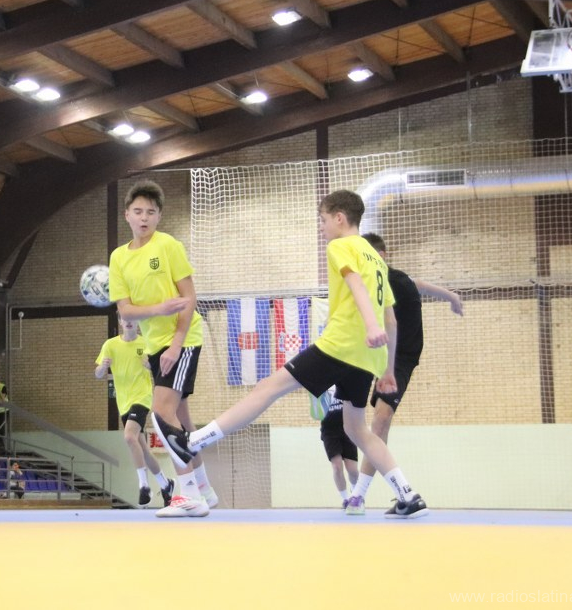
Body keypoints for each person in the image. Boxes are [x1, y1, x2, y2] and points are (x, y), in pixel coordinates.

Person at [153, 190, 429, 519]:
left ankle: (193, 441)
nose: (321, 227)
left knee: (267, 388)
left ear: (339, 218)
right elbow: (392, 320)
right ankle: (407, 494)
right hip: (368, 358)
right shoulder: (376, 258)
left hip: (340, 345)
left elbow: (355, 285)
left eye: (323, 220)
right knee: (357, 430)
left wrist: (370, 326)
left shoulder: (341, 246)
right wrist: (388, 370)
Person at [108, 179, 217, 517]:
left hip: (182, 340)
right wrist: (158, 309)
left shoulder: (168, 245)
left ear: (158, 216)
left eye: (151, 212)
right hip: (153, 344)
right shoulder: (118, 258)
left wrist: (176, 344)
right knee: (181, 417)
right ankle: (205, 488)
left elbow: (189, 297)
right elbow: (126, 311)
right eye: (138, 211)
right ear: (127, 215)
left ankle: (187, 495)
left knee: (161, 412)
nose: (144, 218)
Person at [341, 232, 463, 514]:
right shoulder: (397, 280)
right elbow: (420, 284)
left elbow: (409, 291)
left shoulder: (390, 280)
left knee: (379, 422)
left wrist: (450, 297)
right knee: (377, 427)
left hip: (400, 359)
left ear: (380, 257)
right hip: (384, 357)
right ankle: (375, 495)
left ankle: (364, 496)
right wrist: (450, 296)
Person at [95, 317, 175, 508]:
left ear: (138, 322)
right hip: (123, 403)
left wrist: (152, 365)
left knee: (129, 436)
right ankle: (166, 484)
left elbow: (162, 371)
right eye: (125, 319)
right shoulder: (110, 345)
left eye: (132, 319)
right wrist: (103, 367)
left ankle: (144, 486)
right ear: (120, 321)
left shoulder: (146, 343)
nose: (129, 322)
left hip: (142, 397)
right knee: (143, 449)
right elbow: (98, 374)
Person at [311, 386, 359, 508]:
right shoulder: (322, 386)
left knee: (353, 470)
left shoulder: (343, 383)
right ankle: (345, 499)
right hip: (329, 431)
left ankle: (355, 494)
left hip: (348, 429)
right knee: (337, 467)